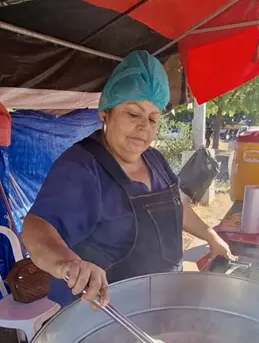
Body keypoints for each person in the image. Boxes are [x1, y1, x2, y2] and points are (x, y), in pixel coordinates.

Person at [22, 50, 231, 307]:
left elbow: (177, 205)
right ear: (105, 114)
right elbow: (36, 226)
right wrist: (68, 263)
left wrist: (211, 236)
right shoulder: (81, 168)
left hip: (159, 299)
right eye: (133, 114)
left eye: (153, 119)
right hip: (104, 311)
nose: (144, 127)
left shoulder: (154, 159)